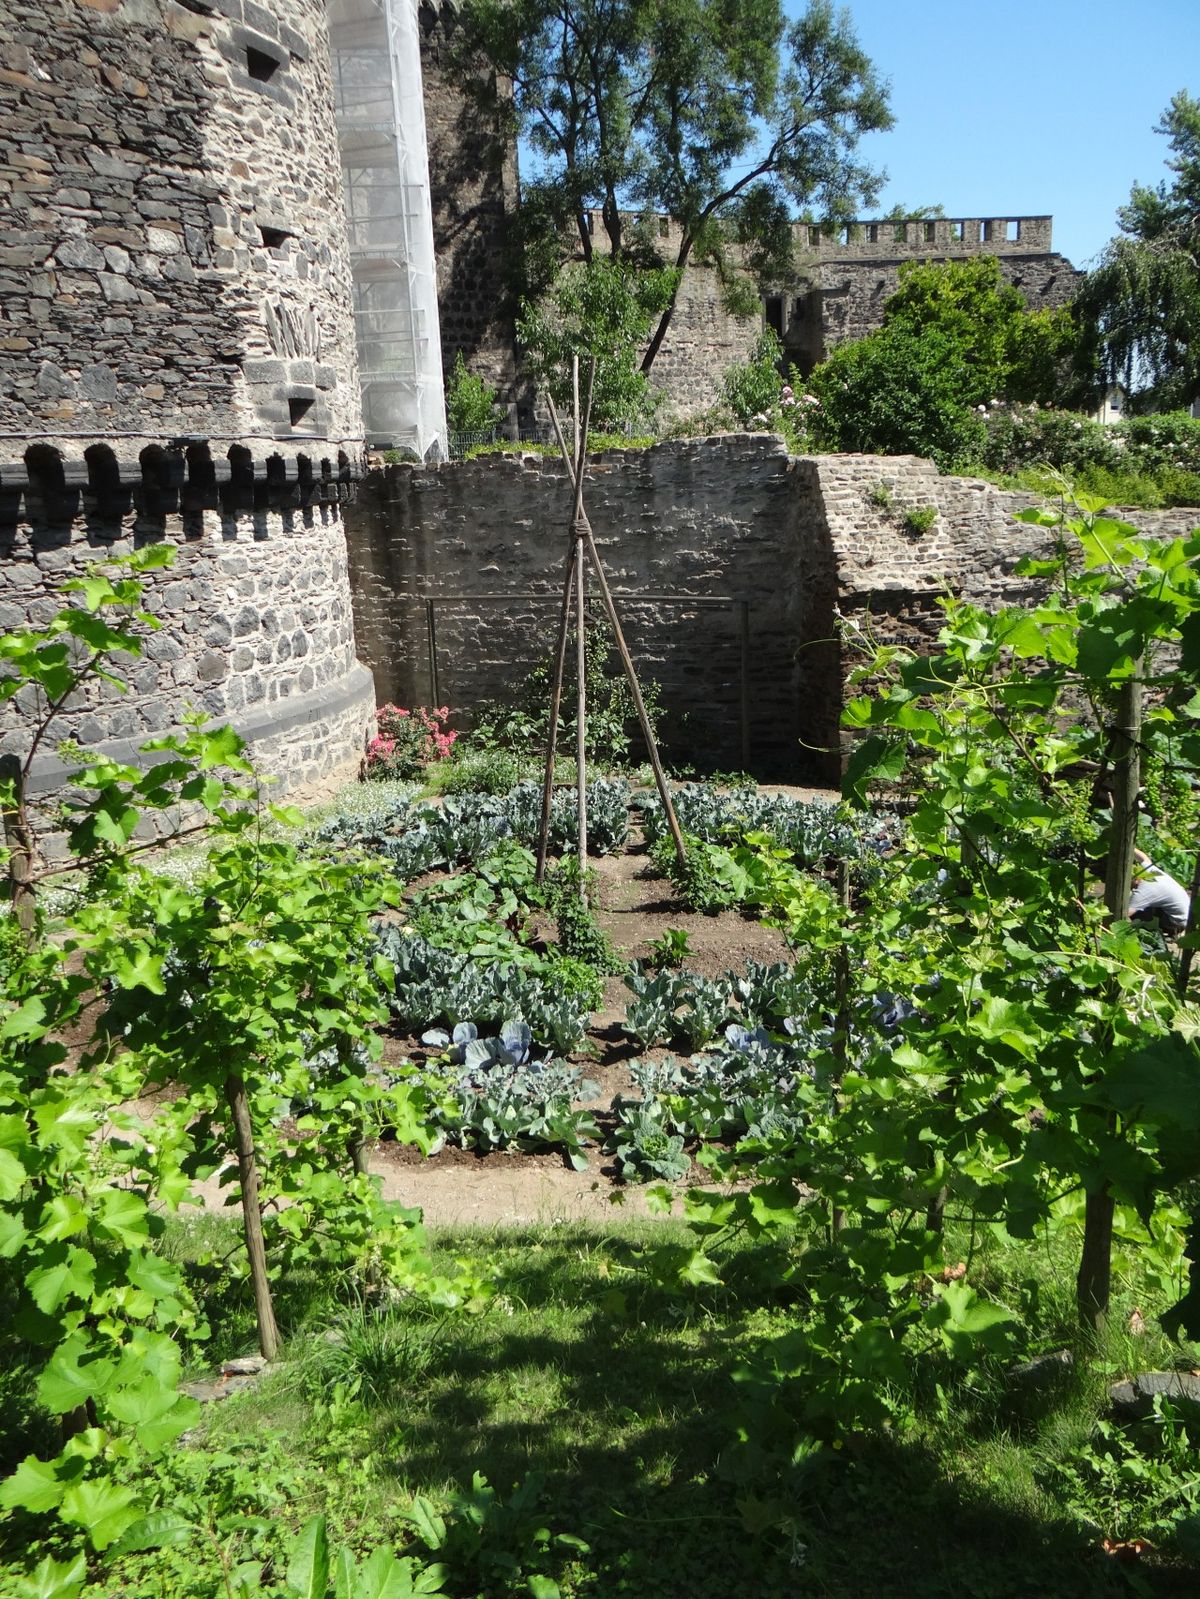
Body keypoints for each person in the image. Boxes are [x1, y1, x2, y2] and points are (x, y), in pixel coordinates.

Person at [1128, 848, 1192, 936]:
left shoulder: (1144, 890)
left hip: (1175, 923)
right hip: (1185, 917)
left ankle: (1156, 932)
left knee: (1136, 915)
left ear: (1136, 879)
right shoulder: (1149, 871)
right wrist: (1131, 848)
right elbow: (1144, 858)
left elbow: (1125, 913)